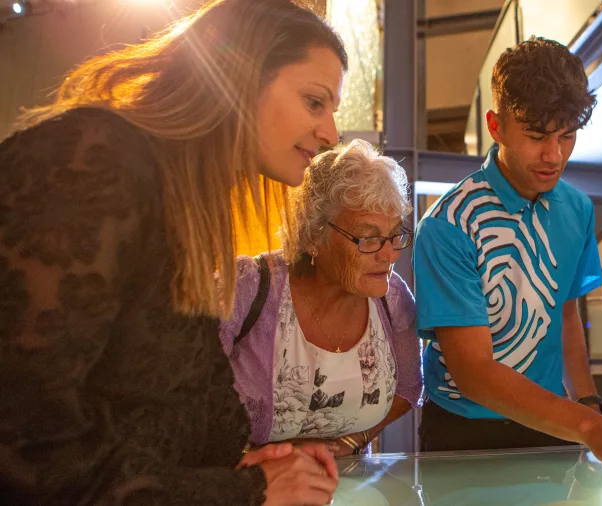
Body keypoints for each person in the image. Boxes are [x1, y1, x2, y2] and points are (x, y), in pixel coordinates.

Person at [0, 0, 350, 503]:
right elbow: (26, 447)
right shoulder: (93, 161)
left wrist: (258, 464)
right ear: (239, 78)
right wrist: (247, 491)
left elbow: (179, 407)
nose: (330, 134)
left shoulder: (186, 206)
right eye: (314, 102)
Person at [413, 36, 602, 484]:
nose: (553, 155)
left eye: (567, 135)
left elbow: (566, 311)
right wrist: (592, 426)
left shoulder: (577, 209)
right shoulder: (448, 224)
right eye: (536, 136)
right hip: (463, 432)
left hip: (556, 424)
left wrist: (588, 403)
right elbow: (474, 372)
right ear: (495, 126)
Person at [220, 140, 422, 456]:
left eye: (395, 235)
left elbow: (408, 389)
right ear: (313, 235)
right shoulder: (247, 288)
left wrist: (349, 443)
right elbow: (179, 394)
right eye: (369, 238)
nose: (389, 254)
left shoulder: (392, 298)